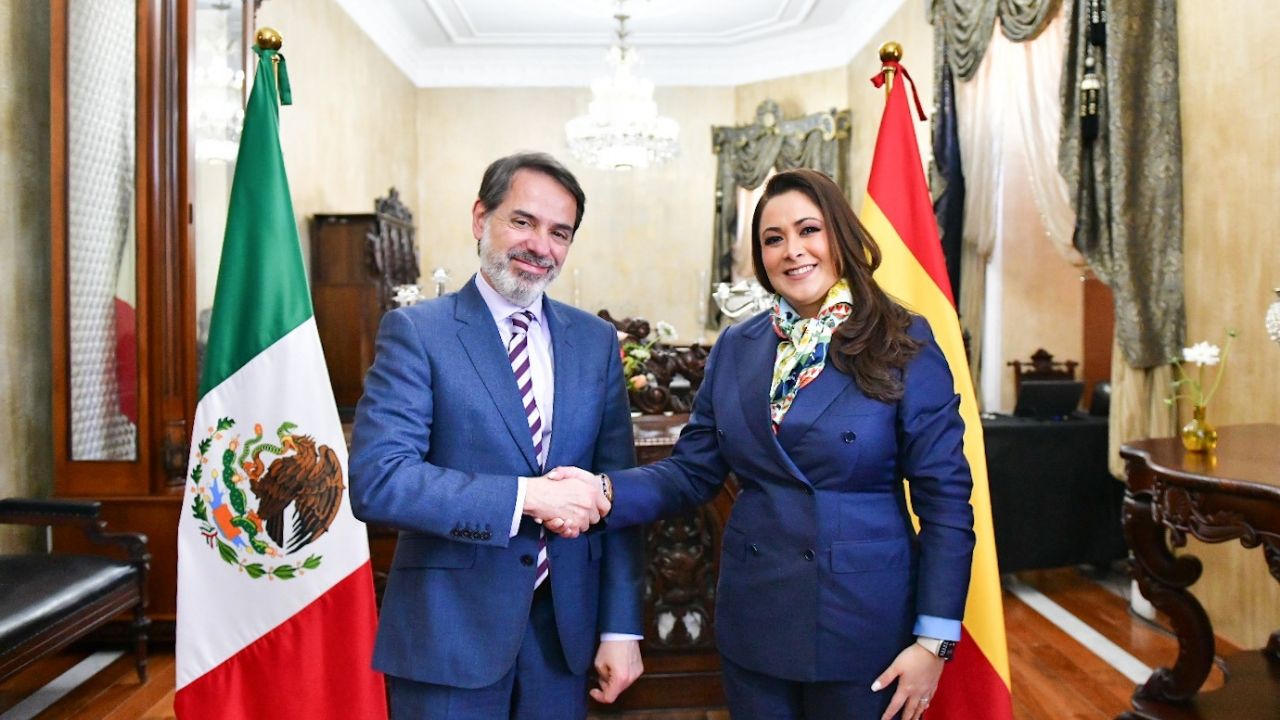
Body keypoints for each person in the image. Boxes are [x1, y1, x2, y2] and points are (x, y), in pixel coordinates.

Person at [554, 168, 975, 720]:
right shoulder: (738, 345)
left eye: (809, 230)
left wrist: (934, 640)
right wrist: (603, 491)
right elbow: (692, 472)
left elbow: (946, 499)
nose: (792, 250)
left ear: (841, 235)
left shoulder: (902, 338)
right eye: (774, 239)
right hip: (756, 618)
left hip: (865, 624)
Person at [349, 152, 645, 719]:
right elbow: (379, 482)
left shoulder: (595, 341)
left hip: (563, 638)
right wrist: (527, 497)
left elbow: (617, 494)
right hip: (448, 635)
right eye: (523, 221)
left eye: (559, 232)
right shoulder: (417, 332)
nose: (540, 246)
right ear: (480, 218)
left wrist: (621, 627)